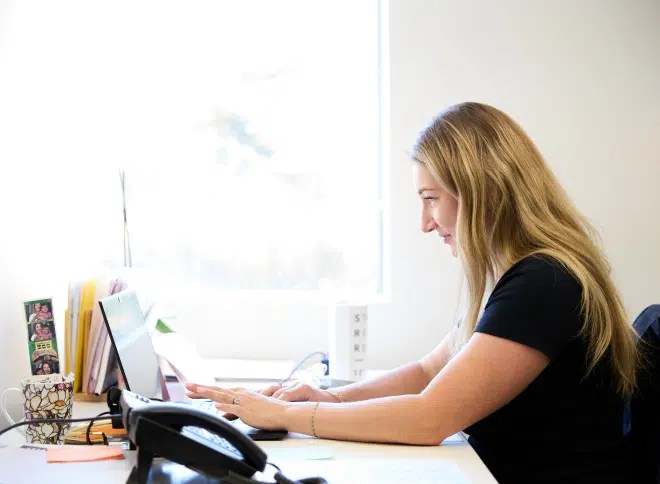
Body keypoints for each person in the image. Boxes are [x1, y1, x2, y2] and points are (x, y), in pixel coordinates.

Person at [186, 103, 639, 483]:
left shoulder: (544, 282)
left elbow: (430, 417)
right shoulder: (520, 275)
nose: (425, 223)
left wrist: (284, 417)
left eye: (431, 199)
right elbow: (428, 371)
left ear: (480, 191)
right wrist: (330, 399)